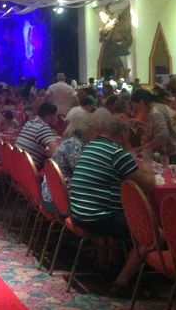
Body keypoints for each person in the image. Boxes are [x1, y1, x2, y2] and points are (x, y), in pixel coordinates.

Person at [69, 115, 155, 297]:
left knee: (124, 215)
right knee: (154, 234)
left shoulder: (90, 146)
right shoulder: (117, 153)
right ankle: (121, 282)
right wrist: (149, 171)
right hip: (98, 218)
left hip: (78, 212)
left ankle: (112, 264)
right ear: (124, 134)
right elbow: (148, 185)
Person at [14, 103, 60, 170]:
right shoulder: (42, 128)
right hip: (27, 171)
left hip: (16, 167)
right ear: (49, 117)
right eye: (56, 116)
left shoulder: (29, 123)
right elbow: (57, 153)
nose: (57, 120)